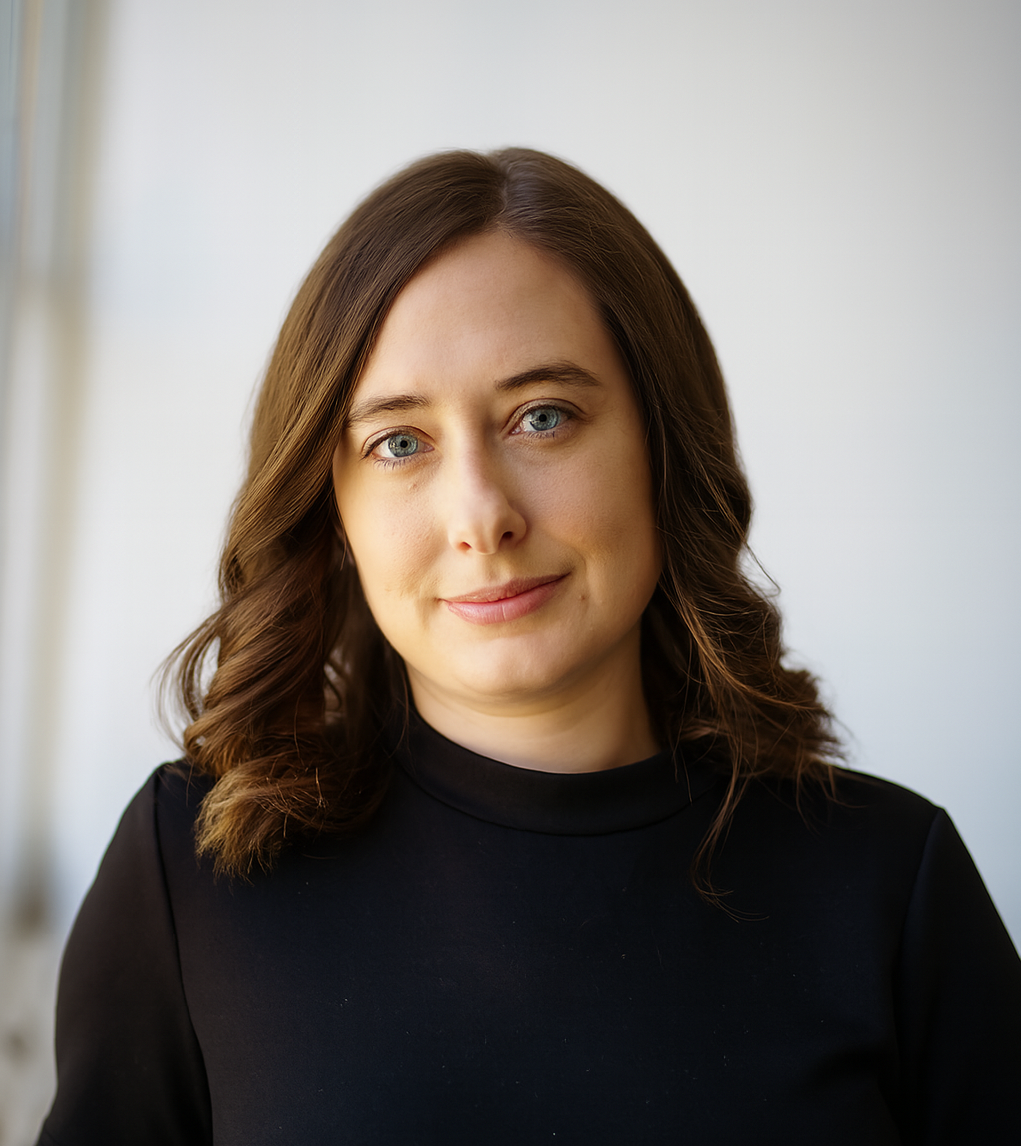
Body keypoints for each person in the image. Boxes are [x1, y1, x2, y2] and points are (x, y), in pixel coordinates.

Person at [37, 149, 1020, 1145]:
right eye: (399, 443)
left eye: (541, 417)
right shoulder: (192, 874)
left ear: (662, 449)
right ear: (331, 507)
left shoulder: (890, 889)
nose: (481, 516)